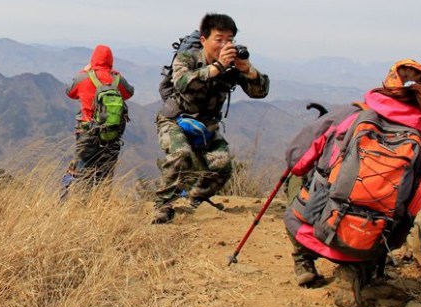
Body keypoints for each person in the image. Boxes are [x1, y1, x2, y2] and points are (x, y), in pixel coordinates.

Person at [282, 59, 421, 307]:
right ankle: (355, 272)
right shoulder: (419, 149)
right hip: (367, 244)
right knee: (407, 203)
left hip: (312, 232)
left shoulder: (347, 116)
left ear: (386, 83)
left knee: (299, 177)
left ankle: (303, 259)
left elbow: (295, 160)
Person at [152, 13, 269, 223]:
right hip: (175, 119)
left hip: (206, 125)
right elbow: (182, 83)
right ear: (204, 40)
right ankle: (163, 206)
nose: (225, 45)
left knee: (223, 166)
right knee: (181, 154)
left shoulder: (233, 65)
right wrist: (217, 68)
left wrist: (248, 71)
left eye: (230, 40)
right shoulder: (188, 58)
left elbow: (260, 92)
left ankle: (193, 201)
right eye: (219, 39)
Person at [60, 44, 134, 194]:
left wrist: (84, 71)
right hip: (111, 134)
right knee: (104, 177)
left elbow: (69, 92)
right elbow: (129, 93)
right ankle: (100, 208)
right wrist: (113, 75)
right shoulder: (117, 79)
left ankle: (76, 205)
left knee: (81, 171)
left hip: (87, 133)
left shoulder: (83, 77)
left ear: (93, 59)